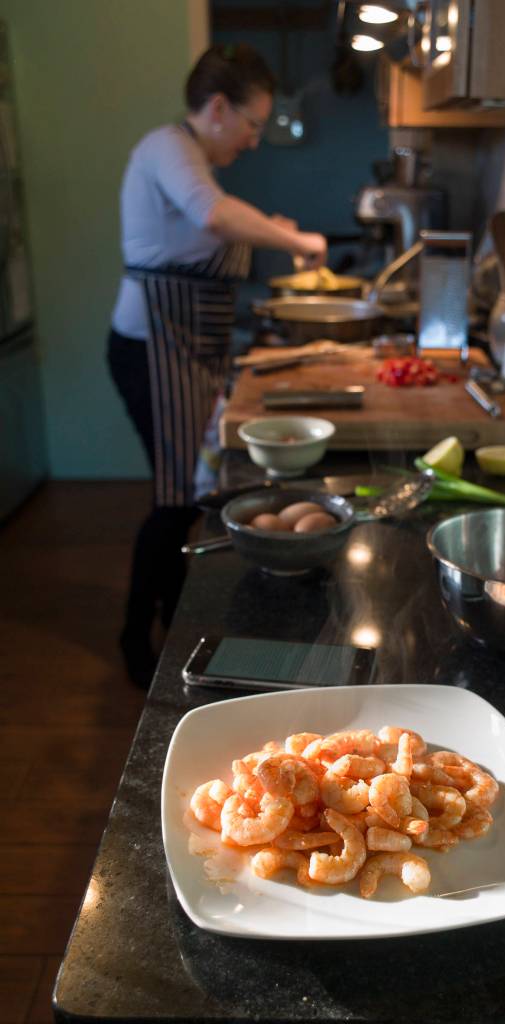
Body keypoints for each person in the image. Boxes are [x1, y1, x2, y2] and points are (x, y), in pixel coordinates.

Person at [107, 44, 327, 688]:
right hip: (151, 352)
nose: (255, 140)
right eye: (255, 124)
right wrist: (298, 241)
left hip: (184, 354)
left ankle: (172, 627)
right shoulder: (166, 148)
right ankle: (138, 639)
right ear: (219, 108)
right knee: (175, 500)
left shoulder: (194, 159)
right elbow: (214, 215)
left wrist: (269, 228)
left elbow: (207, 230)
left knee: (185, 496)